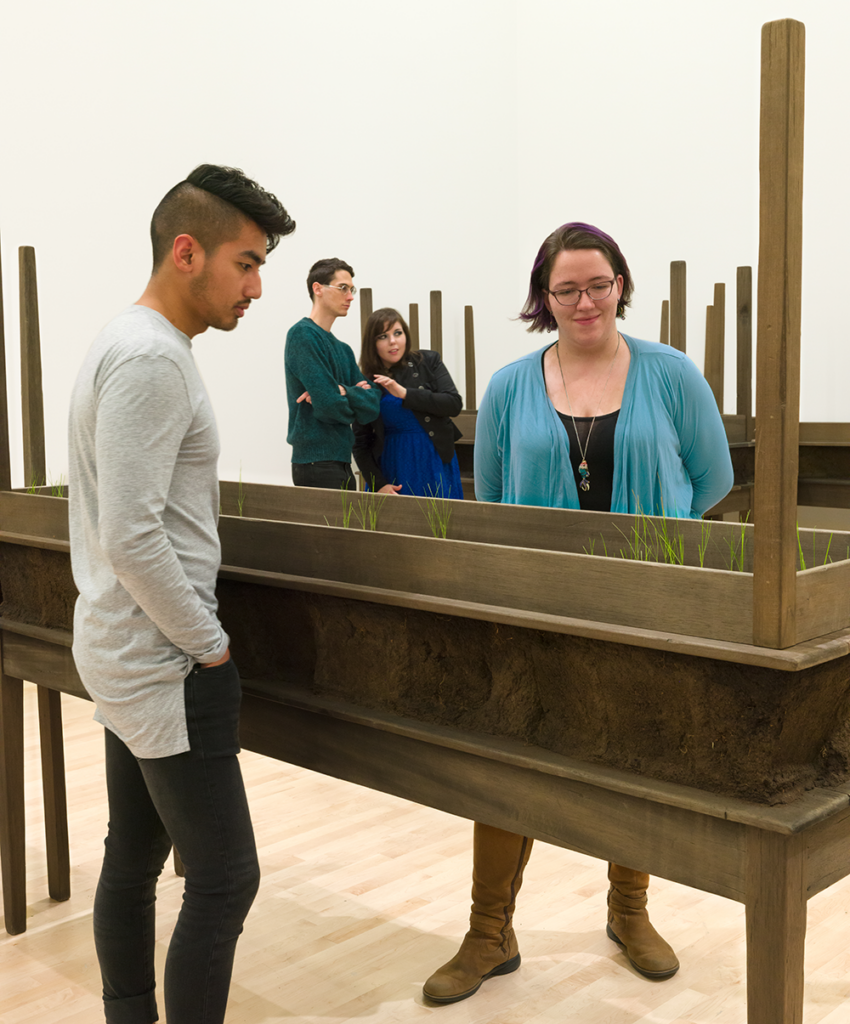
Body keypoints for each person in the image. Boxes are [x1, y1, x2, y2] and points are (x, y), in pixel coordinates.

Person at [423, 222, 734, 1003]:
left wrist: (655, 552)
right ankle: (488, 932)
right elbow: (490, 499)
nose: (585, 301)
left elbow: (712, 480)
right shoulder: (507, 387)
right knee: (508, 762)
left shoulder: (670, 375)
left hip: (643, 604)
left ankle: (629, 911)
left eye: (599, 284)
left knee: (633, 755)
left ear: (621, 285)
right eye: (567, 289)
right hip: (534, 606)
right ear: (545, 297)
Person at [68, 164, 295, 1024]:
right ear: (187, 251)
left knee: (131, 860)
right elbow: (131, 532)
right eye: (246, 263)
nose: (258, 286)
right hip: (163, 660)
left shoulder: (129, 341)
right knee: (227, 877)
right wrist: (209, 644)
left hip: (130, 651)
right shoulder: (152, 359)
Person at [285, 258, 381, 488]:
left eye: (352, 289)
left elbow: (373, 405)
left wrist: (341, 391)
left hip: (342, 462)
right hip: (314, 464)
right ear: (317, 289)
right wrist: (347, 398)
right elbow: (329, 405)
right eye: (343, 288)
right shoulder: (303, 335)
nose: (350, 297)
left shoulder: (343, 350)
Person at [353, 307, 464, 497]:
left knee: (441, 523)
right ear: (372, 343)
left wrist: (405, 394)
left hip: (435, 460)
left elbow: (453, 404)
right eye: (383, 336)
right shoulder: (365, 382)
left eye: (398, 333)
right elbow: (360, 442)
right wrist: (378, 484)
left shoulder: (428, 361)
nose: (393, 341)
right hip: (393, 465)